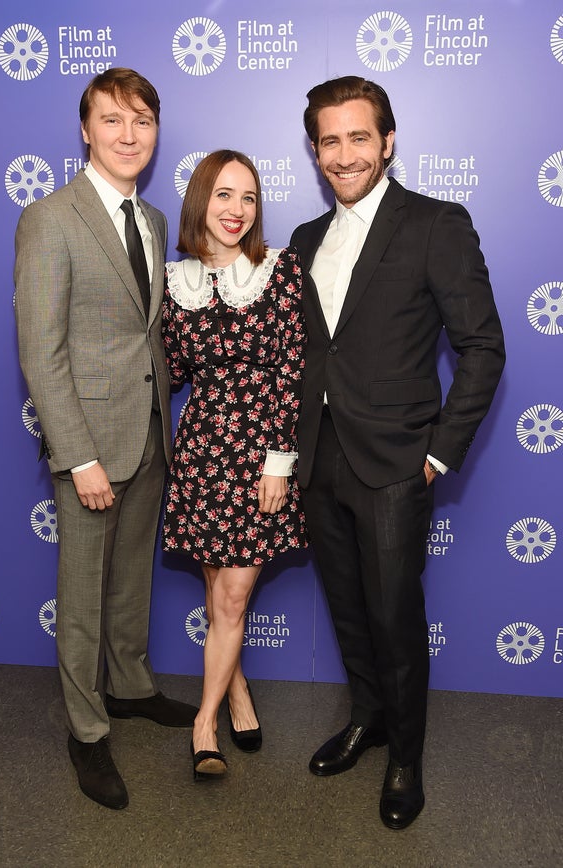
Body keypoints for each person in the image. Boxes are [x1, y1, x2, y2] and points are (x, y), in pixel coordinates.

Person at [290, 76, 505, 829]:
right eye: (329, 141)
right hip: (319, 460)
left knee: (394, 617)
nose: (343, 154)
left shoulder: (436, 224)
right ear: (315, 152)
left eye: (358, 137)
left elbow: (483, 348)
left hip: (395, 464)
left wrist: (439, 455)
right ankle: (367, 720)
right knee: (349, 612)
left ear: (387, 141)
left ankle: (406, 756)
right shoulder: (304, 241)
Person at [14, 67, 197, 811]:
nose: (129, 135)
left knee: (131, 581)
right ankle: (87, 732)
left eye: (143, 121)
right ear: (85, 130)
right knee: (83, 596)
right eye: (113, 120)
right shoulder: (49, 217)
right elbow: (41, 349)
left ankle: (128, 688)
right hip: (90, 443)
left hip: (151, 434)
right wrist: (78, 454)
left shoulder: (152, 220)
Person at [162, 150, 307, 779]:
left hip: (260, 450)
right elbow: (170, 371)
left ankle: (203, 722)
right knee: (218, 586)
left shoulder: (280, 272)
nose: (236, 210)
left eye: (248, 198)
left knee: (235, 592)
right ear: (201, 202)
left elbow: (293, 370)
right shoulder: (175, 282)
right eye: (224, 195)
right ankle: (238, 690)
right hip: (200, 450)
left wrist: (279, 460)